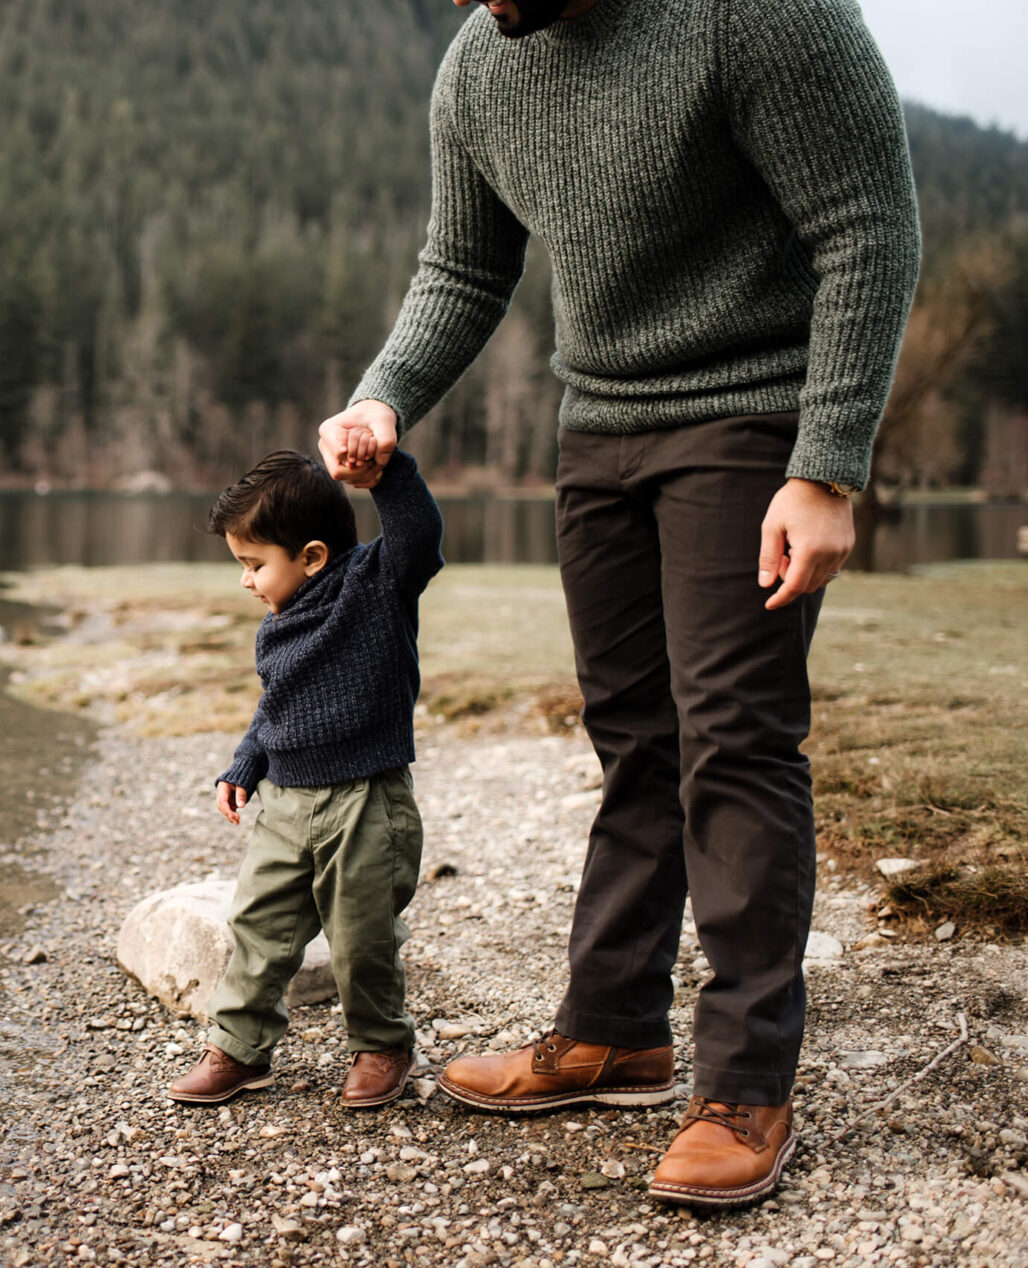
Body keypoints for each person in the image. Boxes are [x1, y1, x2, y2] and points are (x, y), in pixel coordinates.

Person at [317, 0, 920, 1208]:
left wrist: (826, 464)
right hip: (597, 428)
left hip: (754, 417)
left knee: (734, 741)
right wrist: (386, 396)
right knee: (633, 735)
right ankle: (614, 1031)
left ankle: (745, 1080)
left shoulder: (754, 17)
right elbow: (463, 264)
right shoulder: (479, 66)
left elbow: (869, 229)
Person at [167, 447, 444, 1109]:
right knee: (258, 923)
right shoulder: (277, 626)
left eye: (254, 564)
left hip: (365, 802)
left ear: (313, 556)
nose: (246, 581)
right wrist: (246, 763)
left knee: (362, 934)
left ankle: (382, 1045)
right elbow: (277, 704)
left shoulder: (374, 586)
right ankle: (239, 1049)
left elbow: (419, 538)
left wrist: (389, 472)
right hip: (287, 803)